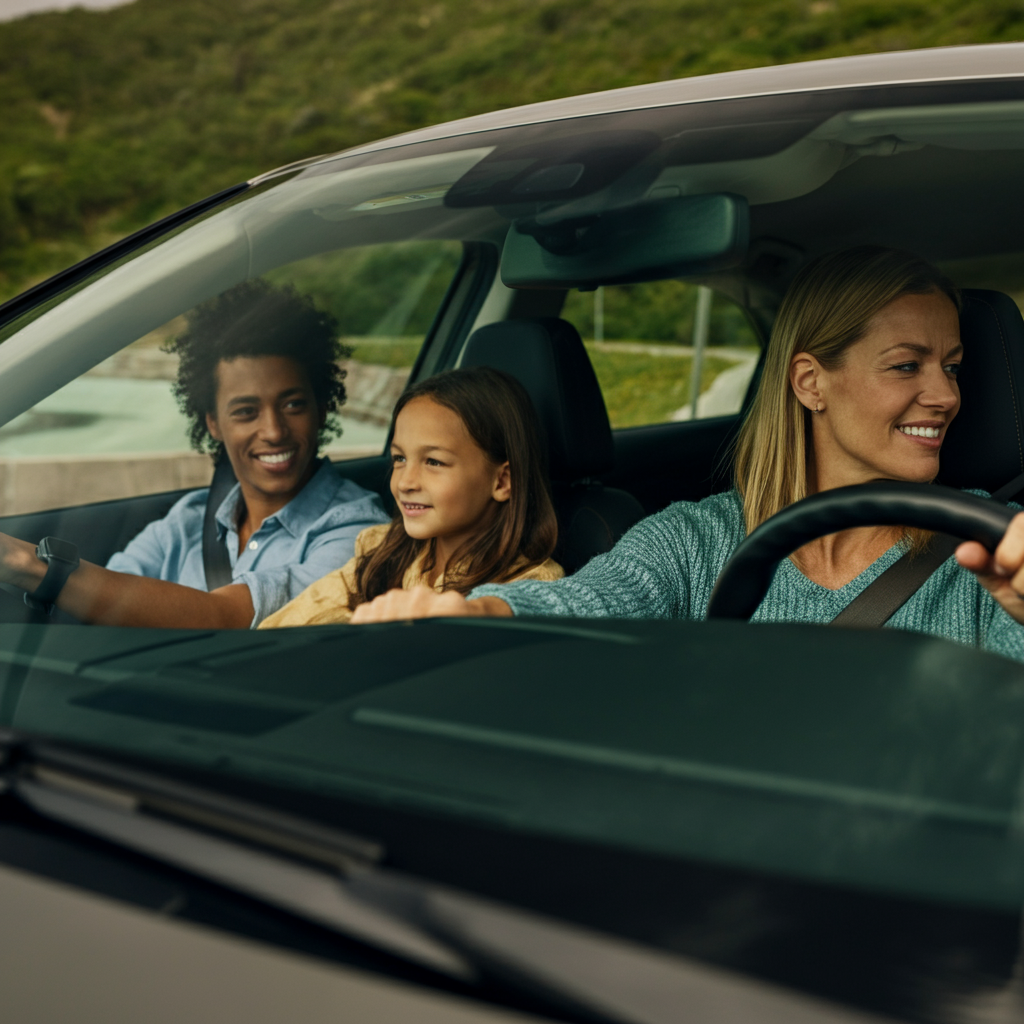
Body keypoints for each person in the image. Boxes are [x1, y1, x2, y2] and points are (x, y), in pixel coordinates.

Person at [346, 246, 1024, 661]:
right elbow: (590, 602)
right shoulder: (698, 541)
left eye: (955, 368)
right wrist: (478, 614)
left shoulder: (991, 551)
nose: (945, 395)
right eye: (908, 366)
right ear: (810, 382)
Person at [0, 280, 388, 628]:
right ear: (214, 424)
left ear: (321, 407)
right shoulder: (188, 521)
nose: (273, 431)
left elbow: (227, 618)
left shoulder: (360, 534)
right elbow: (98, 596)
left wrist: (22, 562)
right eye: (245, 412)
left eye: (293, 405)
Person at [260, 366, 563, 627]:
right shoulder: (381, 552)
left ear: (502, 481)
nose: (405, 482)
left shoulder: (530, 587)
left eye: (434, 462)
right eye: (399, 458)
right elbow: (286, 625)